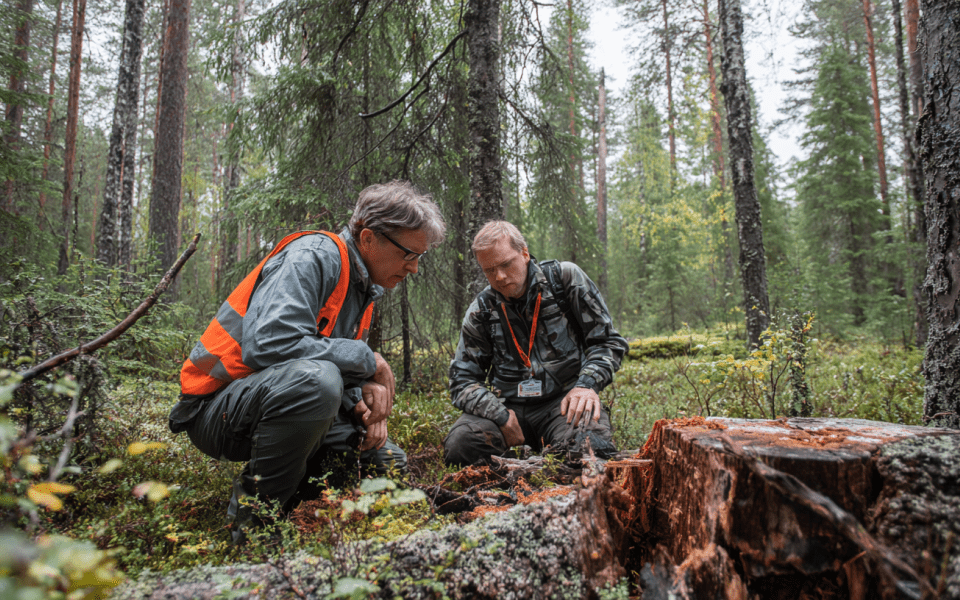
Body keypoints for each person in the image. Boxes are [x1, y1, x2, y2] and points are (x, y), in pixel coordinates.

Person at [168, 181, 446, 541]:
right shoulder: (314, 256)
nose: (414, 269)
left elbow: (319, 359)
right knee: (317, 381)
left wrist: (361, 403)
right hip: (213, 409)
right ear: (368, 238)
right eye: (409, 254)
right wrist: (367, 359)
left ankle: (307, 516)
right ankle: (253, 527)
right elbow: (269, 345)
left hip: (269, 399)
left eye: (419, 257)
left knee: (386, 463)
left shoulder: (362, 287)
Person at [444, 221, 628, 466]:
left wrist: (586, 385)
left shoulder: (564, 280)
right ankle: (509, 489)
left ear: (524, 253)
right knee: (461, 446)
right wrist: (500, 416)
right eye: (489, 270)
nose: (499, 276)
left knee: (588, 446)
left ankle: (545, 476)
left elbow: (607, 342)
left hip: (563, 402)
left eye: (506, 264)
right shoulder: (482, 310)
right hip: (508, 406)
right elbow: (462, 379)